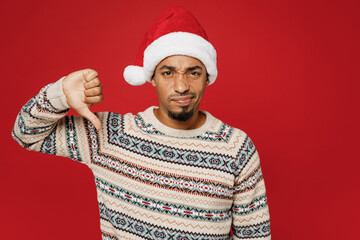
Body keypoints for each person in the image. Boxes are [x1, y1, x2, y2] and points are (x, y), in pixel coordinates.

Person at [12, 7, 271, 240]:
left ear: (207, 78)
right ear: (152, 78)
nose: (181, 86)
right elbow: (25, 134)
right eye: (168, 72)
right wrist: (59, 95)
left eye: (193, 72)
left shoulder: (236, 147)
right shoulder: (111, 136)